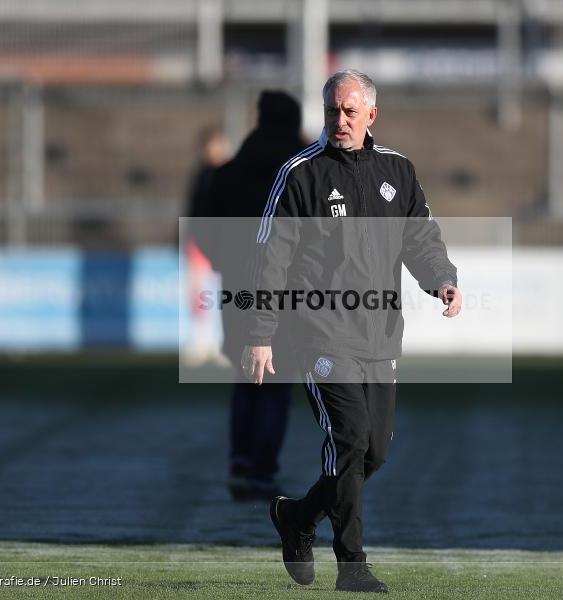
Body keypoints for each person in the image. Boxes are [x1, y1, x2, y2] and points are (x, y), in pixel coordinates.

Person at [241, 70, 462, 593]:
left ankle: (298, 518)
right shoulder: (300, 174)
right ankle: (352, 566)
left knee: (373, 453)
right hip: (317, 332)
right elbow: (270, 259)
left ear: (371, 115)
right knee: (350, 439)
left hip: (379, 335)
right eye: (331, 111)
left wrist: (442, 280)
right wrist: (260, 332)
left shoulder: (397, 170)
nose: (338, 121)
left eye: (349, 112)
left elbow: (421, 239)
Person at [191, 92, 305, 500]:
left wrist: (226, 262)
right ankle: (262, 471)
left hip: (237, 287)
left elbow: (202, 229)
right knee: (277, 381)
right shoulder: (303, 171)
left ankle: (240, 460)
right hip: (287, 291)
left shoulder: (228, 172)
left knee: (246, 377)